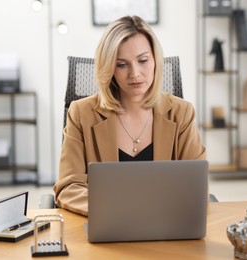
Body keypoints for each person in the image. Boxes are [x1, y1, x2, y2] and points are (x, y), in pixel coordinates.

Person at [53, 15, 206, 216]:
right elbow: (68, 187)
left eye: (143, 60)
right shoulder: (81, 113)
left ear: (155, 61)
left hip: (165, 226)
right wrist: (118, 210)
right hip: (108, 225)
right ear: (109, 68)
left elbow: (195, 185)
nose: (134, 73)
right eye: (122, 64)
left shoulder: (181, 113)